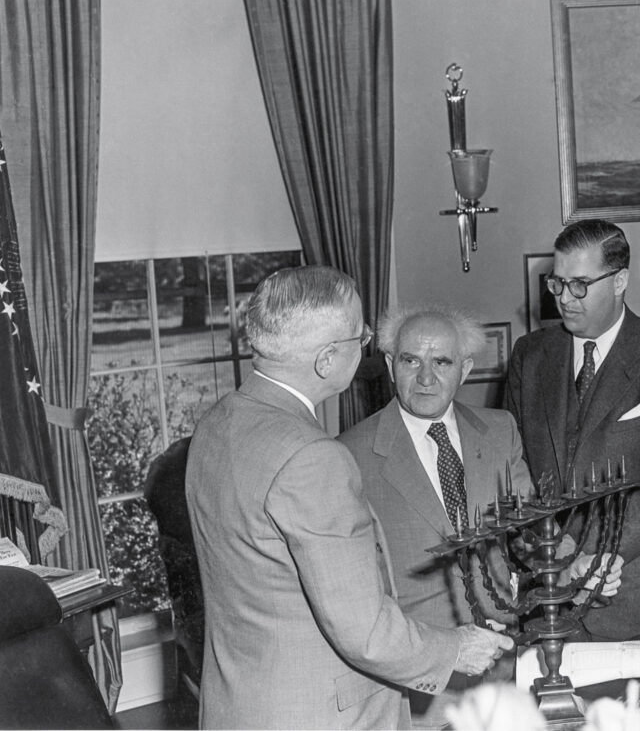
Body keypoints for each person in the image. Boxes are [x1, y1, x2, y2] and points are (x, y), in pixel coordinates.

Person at [185, 267, 512, 730]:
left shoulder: (217, 423)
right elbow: (366, 632)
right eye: (360, 338)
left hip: (241, 706)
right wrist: (455, 647)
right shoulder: (315, 457)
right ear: (327, 360)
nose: (367, 350)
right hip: (319, 714)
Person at [339, 302, 621, 727]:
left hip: (500, 665)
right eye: (411, 360)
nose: (427, 377)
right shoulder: (349, 453)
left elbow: (530, 528)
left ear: (465, 369)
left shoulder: (499, 429)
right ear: (390, 364)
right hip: (417, 683)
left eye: (442, 361)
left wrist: (573, 565)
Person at [505, 219, 640, 642]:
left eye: (580, 284)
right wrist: (558, 558)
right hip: (548, 593)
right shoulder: (530, 356)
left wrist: (587, 557)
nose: (564, 299)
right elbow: (513, 465)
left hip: (638, 597)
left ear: (619, 281)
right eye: (557, 283)